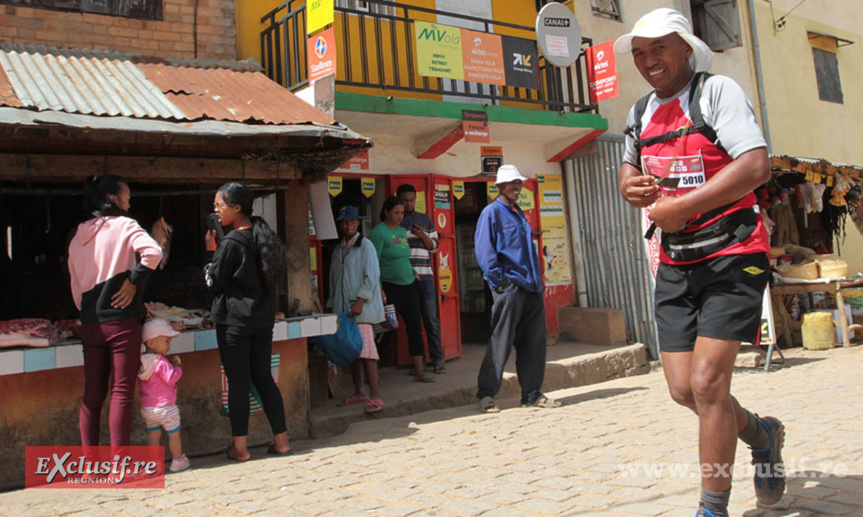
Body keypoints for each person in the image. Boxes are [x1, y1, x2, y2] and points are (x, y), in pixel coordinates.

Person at [614, 8, 784, 516]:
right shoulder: (639, 112)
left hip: (733, 254)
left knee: (709, 384)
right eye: (640, 54)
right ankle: (762, 433)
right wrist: (630, 187)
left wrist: (683, 207)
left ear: (686, 48)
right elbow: (627, 173)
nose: (648, 61)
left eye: (659, 48)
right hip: (676, 262)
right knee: (684, 390)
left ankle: (712, 509)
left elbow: (756, 165)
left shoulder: (716, 93)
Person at [68, 175, 163, 447]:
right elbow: (153, 253)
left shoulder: (78, 235)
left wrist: (88, 309)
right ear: (113, 199)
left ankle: (89, 465)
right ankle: (119, 463)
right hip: (120, 321)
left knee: (92, 396)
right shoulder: (125, 225)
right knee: (121, 392)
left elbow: (75, 287)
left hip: (90, 322)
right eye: (127, 198)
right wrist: (132, 283)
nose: (129, 203)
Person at [204, 182, 291, 461]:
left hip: (236, 323)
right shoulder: (263, 236)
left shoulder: (230, 243)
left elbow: (213, 282)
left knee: (238, 383)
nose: (216, 211)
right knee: (264, 378)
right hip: (263, 320)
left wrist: (211, 252)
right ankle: (282, 442)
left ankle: (240, 448)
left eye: (219, 205)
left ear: (236, 207)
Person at [474, 165, 559, 413]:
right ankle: (486, 394)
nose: (516, 187)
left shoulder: (519, 214)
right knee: (501, 340)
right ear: (499, 186)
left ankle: (531, 393)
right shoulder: (491, 213)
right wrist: (501, 283)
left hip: (531, 287)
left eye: (519, 183)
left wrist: (537, 281)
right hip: (509, 287)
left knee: (534, 342)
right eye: (511, 183)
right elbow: (485, 252)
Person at [327, 206, 386, 414]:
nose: (348, 225)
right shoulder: (338, 249)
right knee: (352, 352)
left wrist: (361, 300)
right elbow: (334, 281)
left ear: (358, 223)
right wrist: (331, 304)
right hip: (345, 311)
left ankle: (376, 394)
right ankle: (360, 392)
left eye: (352, 221)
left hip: (362, 309)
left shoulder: (366, 245)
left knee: (367, 353)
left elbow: (372, 276)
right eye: (345, 222)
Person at [369, 197, 433, 383]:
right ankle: (373, 369)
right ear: (386, 212)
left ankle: (419, 370)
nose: (399, 217)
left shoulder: (402, 232)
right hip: (389, 287)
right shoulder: (378, 233)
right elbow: (372, 264)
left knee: (415, 327)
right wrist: (379, 288)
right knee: (386, 329)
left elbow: (404, 257)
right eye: (396, 213)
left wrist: (413, 272)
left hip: (409, 285)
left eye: (402, 213)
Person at [397, 184, 446, 374]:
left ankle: (438, 358)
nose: (408, 204)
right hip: (406, 279)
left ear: (415, 199)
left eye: (411, 200)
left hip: (425, 278)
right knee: (413, 323)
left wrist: (421, 234)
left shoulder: (425, 219)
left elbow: (434, 247)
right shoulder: (396, 222)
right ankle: (421, 362)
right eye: (404, 200)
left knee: (431, 320)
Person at [138, 318, 190, 472]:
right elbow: (171, 378)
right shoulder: (161, 362)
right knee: (174, 435)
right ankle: (178, 460)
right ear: (151, 343)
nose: (169, 345)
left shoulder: (141, 362)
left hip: (148, 408)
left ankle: (155, 464)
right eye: (166, 341)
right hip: (166, 407)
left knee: (154, 436)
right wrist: (177, 367)